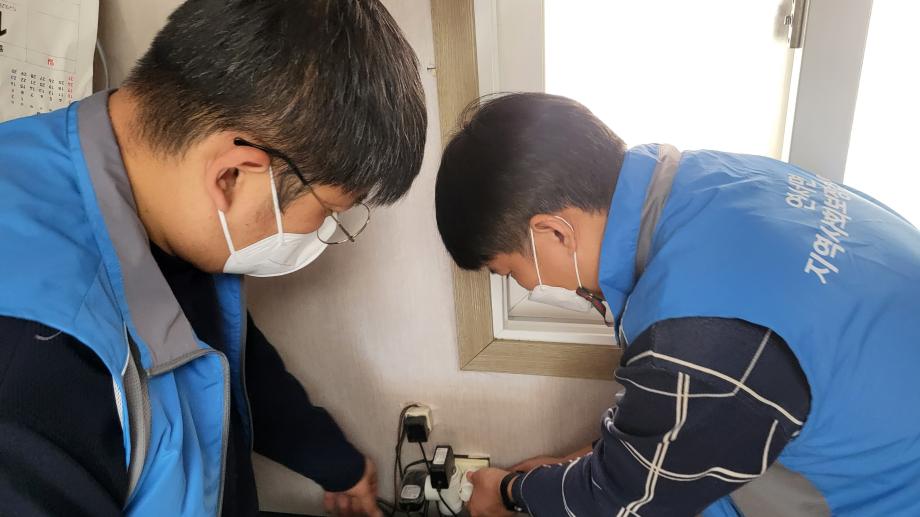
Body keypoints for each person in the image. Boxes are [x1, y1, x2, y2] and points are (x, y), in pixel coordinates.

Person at [0, 1, 426, 516]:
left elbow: (219, 361)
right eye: (329, 212)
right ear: (232, 176)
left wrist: (338, 465)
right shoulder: (35, 361)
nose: (324, 234)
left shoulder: (155, 200)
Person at [436, 93, 920, 516]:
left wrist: (511, 492)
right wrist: (583, 465)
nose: (526, 286)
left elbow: (623, 503)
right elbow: (686, 420)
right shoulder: (714, 178)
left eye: (510, 272)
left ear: (555, 232)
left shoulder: (696, 334)